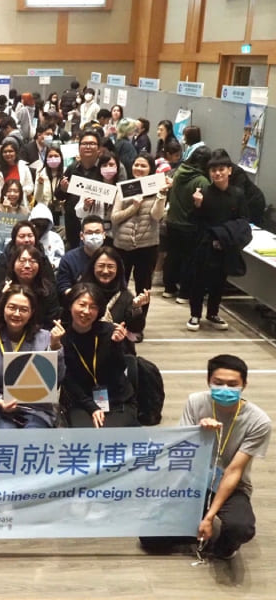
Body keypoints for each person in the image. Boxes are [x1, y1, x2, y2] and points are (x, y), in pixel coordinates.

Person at [180, 355, 270, 559]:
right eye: (218, 383)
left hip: (232, 485)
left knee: (241, 528)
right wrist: (199, 432)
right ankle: (195, 530)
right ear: (208, 381)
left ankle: (219, 543)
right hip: (195, 480)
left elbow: (234, 471)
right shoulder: (195, 402)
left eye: (232, 384)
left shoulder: (259, 421)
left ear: (244, 385)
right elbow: (182, 451)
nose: (225, 389)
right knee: (151, 539)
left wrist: (209, 517)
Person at [0, 284, 65, 429]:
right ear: (3, 308)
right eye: (12, 307)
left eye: (24, 309)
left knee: (31, 440)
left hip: (36, 409)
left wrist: (56, 347)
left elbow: (57, 380)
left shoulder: (46, 338)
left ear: (32, 313)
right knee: (7, 437)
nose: (17, 314)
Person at [186, 150, 251, 332]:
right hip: (205, 245)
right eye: (213, 170)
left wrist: (229, 235)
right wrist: (197, 205)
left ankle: (213, 313)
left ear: (229, 171)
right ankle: (195, 314)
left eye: (221, 169)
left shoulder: (238, 194)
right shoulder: (204, 192)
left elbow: (244, 218)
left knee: (219, 281)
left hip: (227, 244)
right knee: (199, 281)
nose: (217, 173)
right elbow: (193, 221)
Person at [61, 283, 137, 428]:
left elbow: (119, 370)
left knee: (114, 435)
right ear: (70, 305)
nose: (86, 311)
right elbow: (69, 382)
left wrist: (116, 345)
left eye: (93, 307)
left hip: (117, 399)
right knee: (86, 437)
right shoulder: (63, 339)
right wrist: (92, 407)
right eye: (82, 304)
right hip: (82, 402)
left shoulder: (110, 332)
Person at [111, 152, 166, 316]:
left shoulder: (158, 188)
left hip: (147, 246)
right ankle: (119, 319)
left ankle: (138, 323)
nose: (139, 168)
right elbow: (114, 218)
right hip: (122, 244)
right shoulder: (125, 188)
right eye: (136, 165)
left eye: (143, 166)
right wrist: (133, 207)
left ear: (151, 169)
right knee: (120, 284)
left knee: (143, 286)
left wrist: (161, 196)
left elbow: (157, 216)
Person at [163, 146, 210, 302]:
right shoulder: (201, 181)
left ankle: (168, 289)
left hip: (172, 221)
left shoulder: (179, 172)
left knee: (172, 256)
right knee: (188, 260)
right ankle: (184, 293)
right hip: (189, 225)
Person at [81, 246, 149, 352]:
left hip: (118, 352)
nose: (105, 271)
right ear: (93, 267)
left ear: (118, 269)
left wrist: (136, 308)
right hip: (84, 350)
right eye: (101, 266)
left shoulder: (126, 297)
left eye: (110, 266)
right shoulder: (80, 293)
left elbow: (136, 330)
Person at [56, 130, 103, 250]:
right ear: (79, 148)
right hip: (73, 223)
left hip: (96, 224)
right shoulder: (72, 168)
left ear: (99, 149)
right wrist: (63, 189)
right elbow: (59, 195)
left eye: (92, 144)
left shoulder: (104, 169)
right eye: (84, 144)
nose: (88, 146)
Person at [56, 215, 106, 300]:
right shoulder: (69, 259)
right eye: (89, 233)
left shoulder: (112, 258)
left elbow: (120, 286)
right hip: (77, 302)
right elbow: (63, 287)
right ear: (81, 236)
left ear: (104, 235)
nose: (94, 236)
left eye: (97, 232)